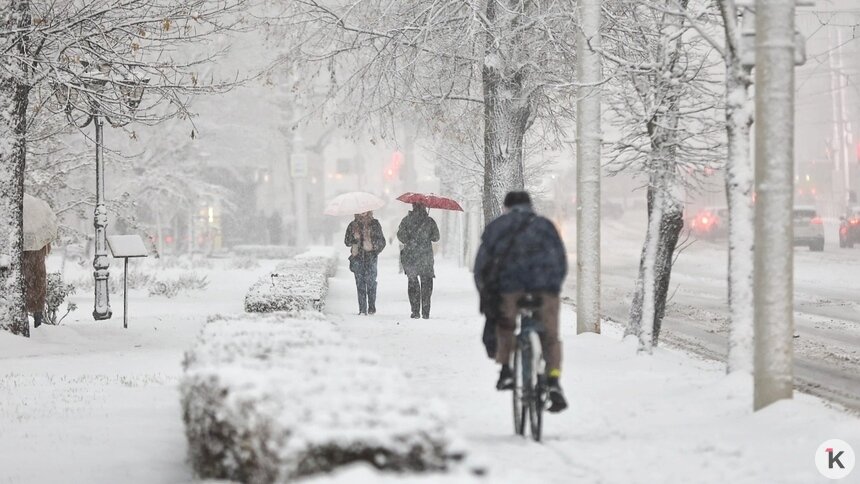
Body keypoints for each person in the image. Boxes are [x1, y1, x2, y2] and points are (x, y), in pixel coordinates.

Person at [474, 191, 568, 413]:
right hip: (544, 289)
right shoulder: (545, 226)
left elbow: (481, 266)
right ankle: (553, 381)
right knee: (551, 336)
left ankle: (506, 370)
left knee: (505, 325)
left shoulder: (497, 227)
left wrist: (487, 293)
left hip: (510, 289)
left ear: (506, 207)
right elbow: (560, 260)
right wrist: (552, 288)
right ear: (530, 205)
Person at [397, 203, 440, 319]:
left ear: (413, 206)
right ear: (425, 207)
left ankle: (415, 311)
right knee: (427, 285)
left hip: (411, 257)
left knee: (413, 284)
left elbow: (401, 237)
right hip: (425, 257)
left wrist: (411, 238)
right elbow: (436, 237)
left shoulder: (406, 220)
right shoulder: (429, 221)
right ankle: (426, 312)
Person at [344, 212, 386, 315]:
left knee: (371, 282)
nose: (363, 212)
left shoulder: (375, 224)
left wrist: (374, 247)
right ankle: (362, 309)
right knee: (360, 284)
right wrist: (355, 238)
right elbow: (346, 242)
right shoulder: (352, 225)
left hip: (371, 257)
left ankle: (371, 307)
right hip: (357, 257)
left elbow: (382, 241)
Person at [23, 243, 50, 328]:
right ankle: (38, 325)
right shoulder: (41, 238)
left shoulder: (24, 240)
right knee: (39, 294)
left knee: (26, 294)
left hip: (26, 268)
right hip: (38, 270)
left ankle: (26, 325)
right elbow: (47, 251)